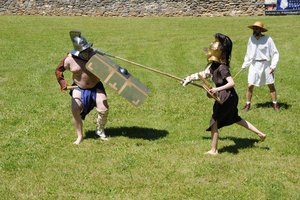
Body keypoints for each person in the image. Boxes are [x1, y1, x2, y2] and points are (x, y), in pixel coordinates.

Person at [182, 33, 266, 155]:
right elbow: (203, 74)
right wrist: (188, 78)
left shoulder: (222, 68)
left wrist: (216, 89)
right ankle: (260, 134)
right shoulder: (214, 66)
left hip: (226, 97)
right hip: (230, 97)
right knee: (235, 118)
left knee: (214, 122)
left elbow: (232, 83)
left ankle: (214, 150)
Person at [55, 31, 109, 144]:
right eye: (84, 49)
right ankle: (79, 136)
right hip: (79, 87)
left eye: (87, 48)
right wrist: (63, 83)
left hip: (96, 86)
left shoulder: (94, 55)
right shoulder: (69, 59)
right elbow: (58, 70)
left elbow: (108, 69)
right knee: (75, 110)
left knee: (103, 108)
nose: (86, 51)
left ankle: (100, 130)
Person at [241, 21, 280, 112]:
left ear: (261, 30)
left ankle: (275, 104)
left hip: (266, 65)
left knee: (271, 85)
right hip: (254, 65)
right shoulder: (251, 39)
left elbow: (275, 53)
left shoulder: (268, 39)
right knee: (250, 85)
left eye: (257, 28)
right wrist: (245, 64)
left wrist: (272, 66)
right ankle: (247, 105)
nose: (255, 29)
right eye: (254, 28)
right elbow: (248, 53)